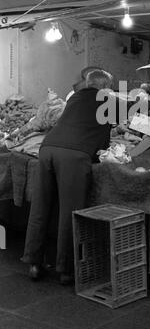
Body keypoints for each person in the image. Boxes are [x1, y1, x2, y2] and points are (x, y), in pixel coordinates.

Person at [21, 69, 116, 285]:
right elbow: (103, 141)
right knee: (69, 212)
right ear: (103, 87)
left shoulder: (75, 98)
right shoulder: (108, 101)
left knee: (40, 207)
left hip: (47, 149)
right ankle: (66, 270)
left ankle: (34, 264)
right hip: (74, 156)